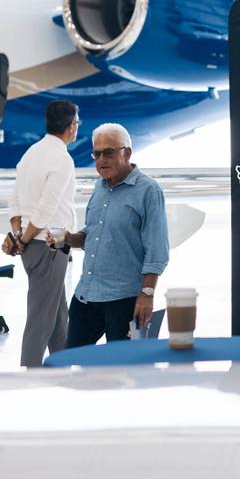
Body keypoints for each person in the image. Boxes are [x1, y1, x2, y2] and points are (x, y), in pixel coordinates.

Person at [63, 123, 169, 347]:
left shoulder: (148, 191)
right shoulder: (100, 187)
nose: (101, 160)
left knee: (121, 366)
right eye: (97, 154)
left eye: (109, 153)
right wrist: (70, 239)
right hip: (86, 295)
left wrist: (147, 294)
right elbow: (93, 234)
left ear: (127, 153)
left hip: (124, 300)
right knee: (70, 359)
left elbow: (157, 250)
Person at [2, 100, 79, 367]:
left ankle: (62, 367)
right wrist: (22, 240)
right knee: (41, 319)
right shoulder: (62, 159)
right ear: (71, 126)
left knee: (58, 316)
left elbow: (14, 200)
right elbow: (47, 208)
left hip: (39, 245)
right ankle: (31, 375)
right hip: (49, 243)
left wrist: (18, 236)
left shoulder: (31, 154)